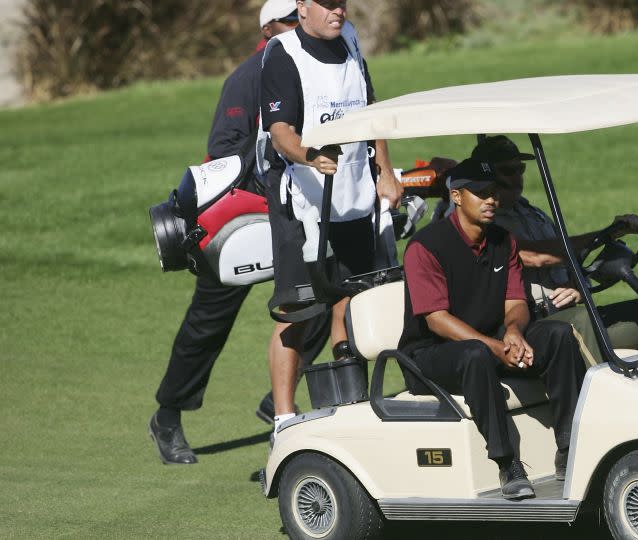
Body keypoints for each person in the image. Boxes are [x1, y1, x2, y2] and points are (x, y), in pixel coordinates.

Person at [148, 0, 311, 466]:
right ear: (270, 27)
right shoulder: (247, 76)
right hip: (238, 219)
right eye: (291, 21)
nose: (300, 27)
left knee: (318, 301)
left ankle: (276, 397)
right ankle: (168, 416)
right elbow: (223, 150)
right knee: (208, 323)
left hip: (296, 214)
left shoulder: (313, 64)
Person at [398, 158, 586, 500]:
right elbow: (435, 319)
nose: (491, 201)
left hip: (486, 341)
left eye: (494, 193)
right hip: (428, 355)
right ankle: (507, 463)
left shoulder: (503, 240)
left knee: (558, 335)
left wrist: (513, 332)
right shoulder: (425, 247)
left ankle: (569, 448)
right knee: (475, 354)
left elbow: (515, 302)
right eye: (481, 193)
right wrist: (493, 344)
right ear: (456, 196)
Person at [259, 0, 403, 434]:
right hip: (301, 202)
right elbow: (280, 131)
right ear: (302, 7)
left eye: (341, 2)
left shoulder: (352, 37)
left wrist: (384, 171)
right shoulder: (283, 52)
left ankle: (349, 403)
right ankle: (283, 417)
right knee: (298, 314)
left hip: (354, 194)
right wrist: (310, 156)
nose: (337, 10)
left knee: (350, 302)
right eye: (327, 4)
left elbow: (371, 107)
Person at [473, 135, 638, 364]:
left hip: (574, 314)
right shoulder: (482, 223)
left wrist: (579, 285)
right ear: (487, 177)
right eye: (508, 171)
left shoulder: (534, 214)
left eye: (520, 169)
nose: (518, 178)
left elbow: (569, 259)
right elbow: (536, 256)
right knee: (582, 320)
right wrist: (604, 234)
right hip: (532, 326)